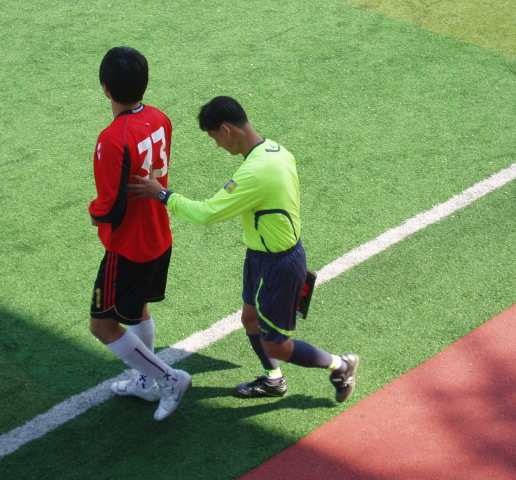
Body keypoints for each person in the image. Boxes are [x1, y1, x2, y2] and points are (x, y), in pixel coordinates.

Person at [128, 96, 359, 403]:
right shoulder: (275, 150)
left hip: (278, 265)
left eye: (214, 138)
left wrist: (163, 195)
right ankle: (273, 379)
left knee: (277, 344)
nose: (217, 145)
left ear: (226, 130)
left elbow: (207, 213)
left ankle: (341, 365)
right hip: (261, 256)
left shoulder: (255, 172)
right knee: (250, 319)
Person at [88, 46, 191, 421]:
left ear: (105, 88)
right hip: (157, 234)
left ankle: (168, 378)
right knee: (137, 310)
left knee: (103, 325)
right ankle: (146, 383)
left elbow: (111, 206)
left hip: (128, 246)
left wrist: (93, 213)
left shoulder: (112, 139)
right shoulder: (160, 118)